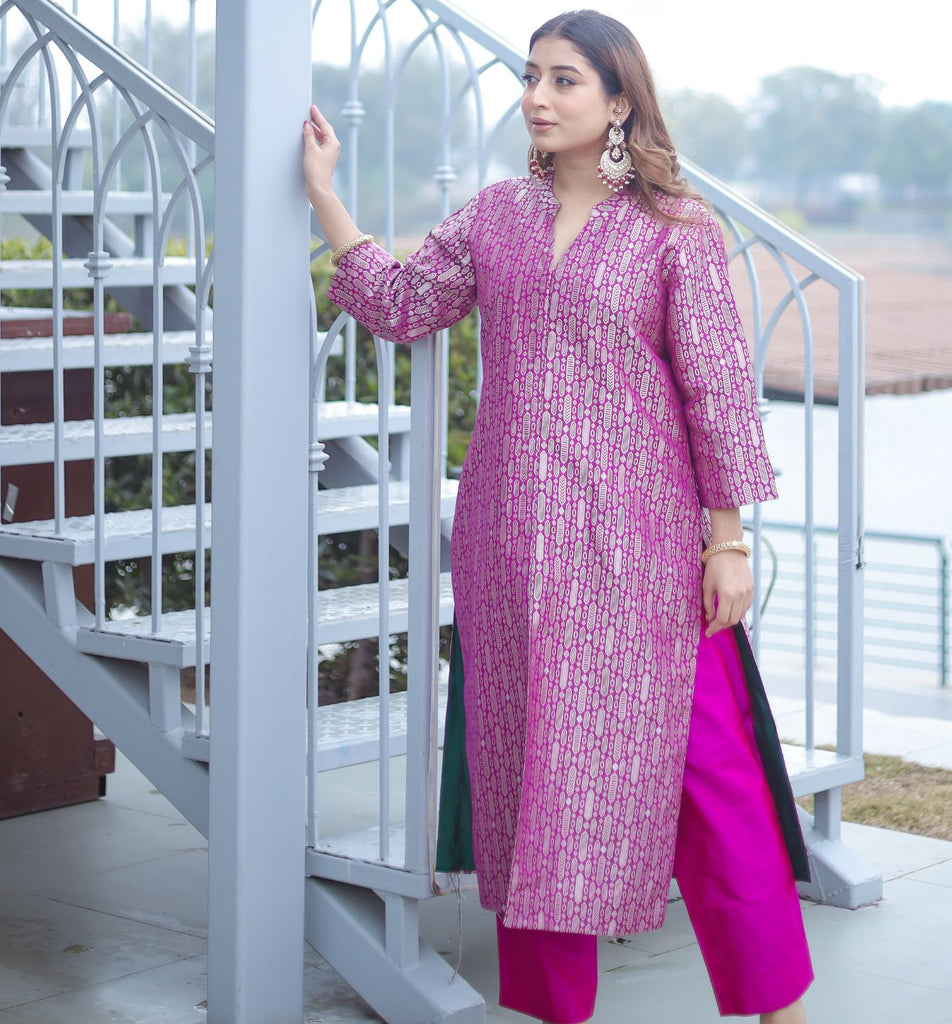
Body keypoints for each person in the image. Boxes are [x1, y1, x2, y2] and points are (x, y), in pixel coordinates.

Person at [303, 10, 813, 1023]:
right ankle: (547, 1009)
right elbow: (405, 305)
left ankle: (778, 1005)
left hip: (647, 546)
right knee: (531, 783)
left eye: (564, 80)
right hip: (510, 546)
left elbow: (715, 390)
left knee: (710, 779)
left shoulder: (676, 228)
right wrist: (324, 197)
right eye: (531, 76)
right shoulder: (495, 217)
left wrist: (728, 536)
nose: (536, 96)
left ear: (619, 101)